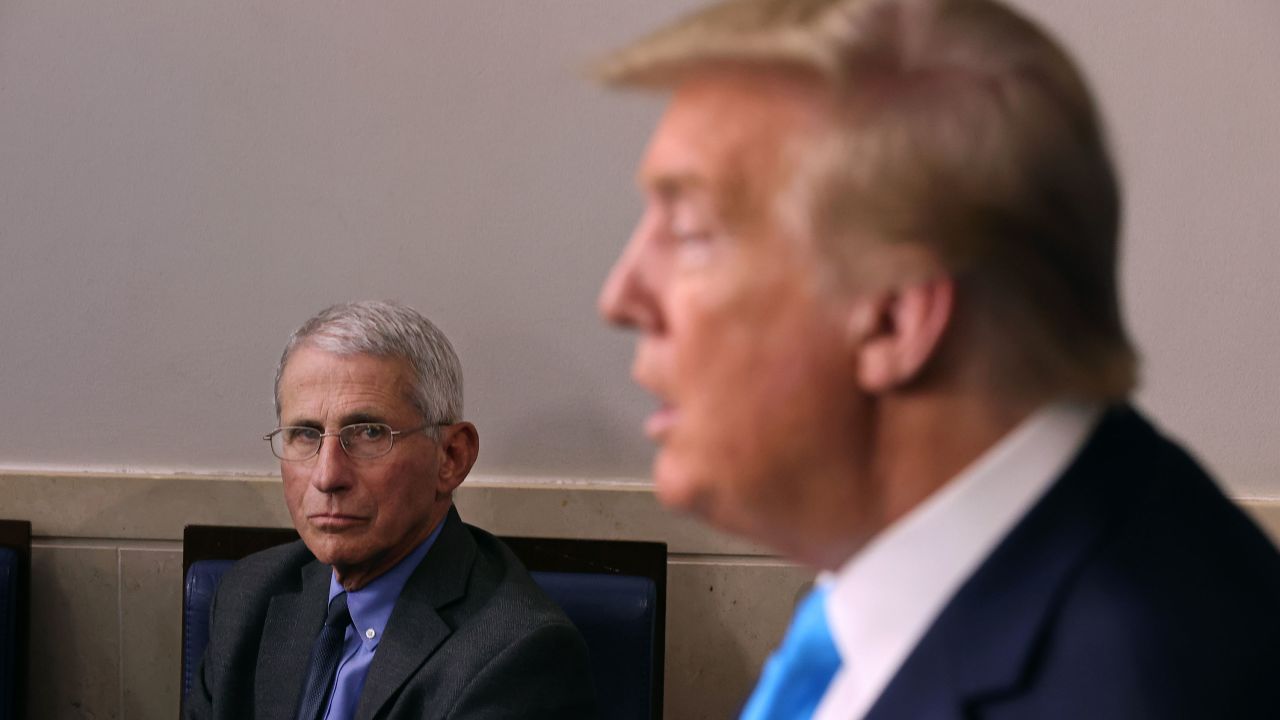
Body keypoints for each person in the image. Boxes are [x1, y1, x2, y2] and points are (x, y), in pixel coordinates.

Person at [595, 0, 1280, 717]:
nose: (620, 297)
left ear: (893, 315)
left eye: (691, 233)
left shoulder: (1135, 688)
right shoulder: (922, 581)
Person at [185, 300, 596, 720]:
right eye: (305, 434)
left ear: (451, 457)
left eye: (368, 432)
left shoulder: (517, 654)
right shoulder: (247, 596)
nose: (327, 476)